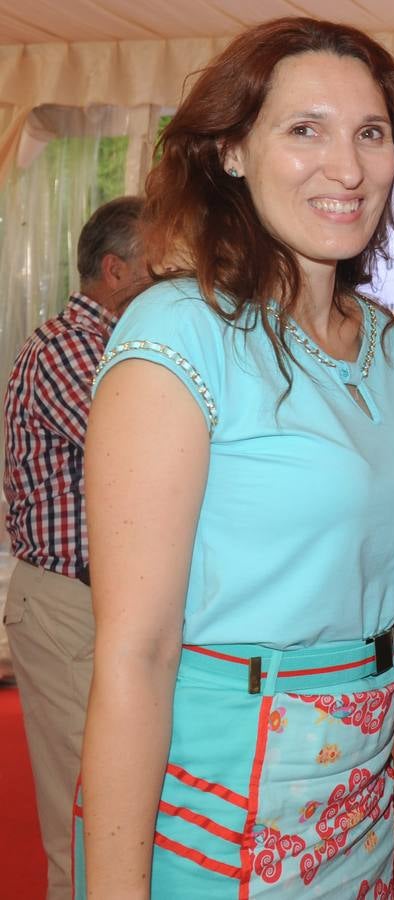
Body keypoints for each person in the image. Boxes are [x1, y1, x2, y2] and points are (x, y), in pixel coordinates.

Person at [75, 18, 394, 897]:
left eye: (370, 133)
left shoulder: (385, 345)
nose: (345, 168)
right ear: (232, 150)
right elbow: (136, 653)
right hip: (216, 779)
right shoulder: (180, 333)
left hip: (357, 781)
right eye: (304, 129)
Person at [2, 195, 144, 900]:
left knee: (113, 806)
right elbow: (147, 458)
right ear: (114, 270)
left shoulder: (119, 346)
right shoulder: (70, 347)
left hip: (99, 606)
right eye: (162, 264)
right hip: (67, 605)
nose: (179, 275)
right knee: (83, 812)